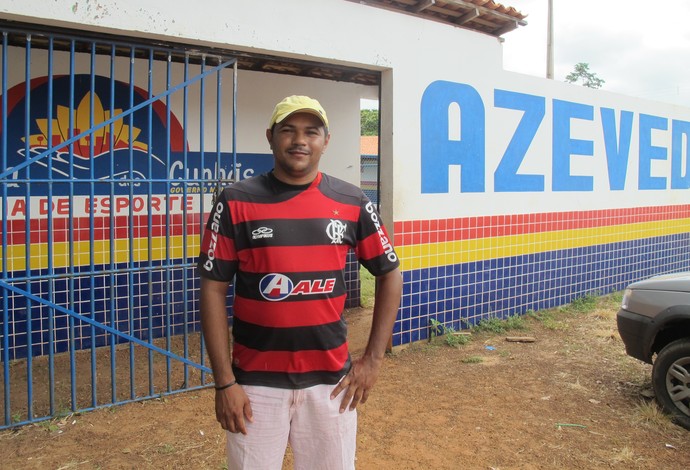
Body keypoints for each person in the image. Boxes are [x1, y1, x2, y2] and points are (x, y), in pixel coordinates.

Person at [197, 95, 402, 470]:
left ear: (327, 140)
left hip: (331, 385)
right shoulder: (236, 201)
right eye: (288, 130)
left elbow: (389, 273)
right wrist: (225, 383)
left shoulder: (353, 200)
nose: (299, 140)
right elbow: (212, 287)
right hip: (255, 385)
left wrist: (372, 360)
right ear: (270, 137)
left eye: (311, 131)